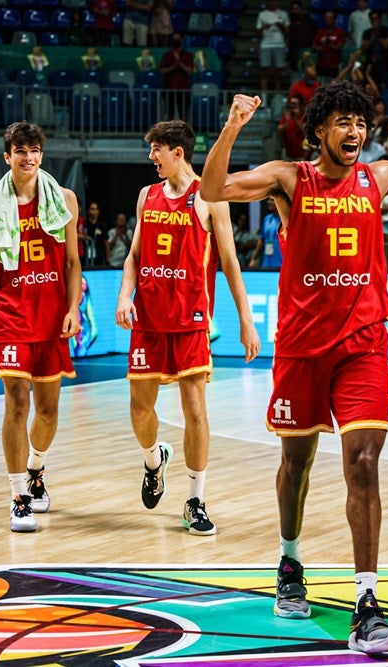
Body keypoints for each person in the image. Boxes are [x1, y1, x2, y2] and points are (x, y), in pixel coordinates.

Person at [198, 80, 388, 655]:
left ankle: (367, 603)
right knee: (296, 463)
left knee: (365, 462)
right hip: (302, 345)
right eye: (343, 123)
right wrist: (233, 126)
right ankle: (290, 558)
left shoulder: (378, 178)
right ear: (320, 131)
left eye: (361, 123)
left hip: (363, 343)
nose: (354, 133)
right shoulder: (287, 177)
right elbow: (213, 188)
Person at [115, 120, 260, 536]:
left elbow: (230, 263)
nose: (151, 157)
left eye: (156, 150)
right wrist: (125, 296)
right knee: (140, 409)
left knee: (195, 410)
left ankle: (195, 499)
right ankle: (153, 459)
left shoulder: (210, 198)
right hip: (148, 319)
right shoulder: (148, 195)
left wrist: (246, 322)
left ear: (177, 152)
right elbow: (134, 258)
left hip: (192, 320)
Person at [0, 121, 82, 533]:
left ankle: (36, 468)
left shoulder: (64, 199)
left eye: (34, 150)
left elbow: (71, 263)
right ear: (7, 156)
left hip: (51, 317)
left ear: (41, 155)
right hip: (10, 316)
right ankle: (17, 498)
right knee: (17, 402)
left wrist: (74, 308)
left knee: (48, 410)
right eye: (20, 150)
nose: (28, 157)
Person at [256, 0, 289, 93]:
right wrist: (264, 27)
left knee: (279, 73)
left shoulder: (283, 14)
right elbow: (257, 33)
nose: (273, 2)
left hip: (279, 45)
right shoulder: (262, 15)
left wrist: (280, 26)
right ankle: (263, 101)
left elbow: (288, 33)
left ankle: (277, 99)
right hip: (265, 45)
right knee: (264, 73)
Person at [160, 35, 193, 121]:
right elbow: (162, 71)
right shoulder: (167, 55)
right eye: (174, 39)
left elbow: (190, 71)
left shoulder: (187, 55)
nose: (176, 41)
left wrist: (180, 63)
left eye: (177, 39)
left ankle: (184, 132)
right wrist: (173, 67)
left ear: (181, 41)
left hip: (183, 89)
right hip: (169, 88)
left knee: (183, 113)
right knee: (169, 113)